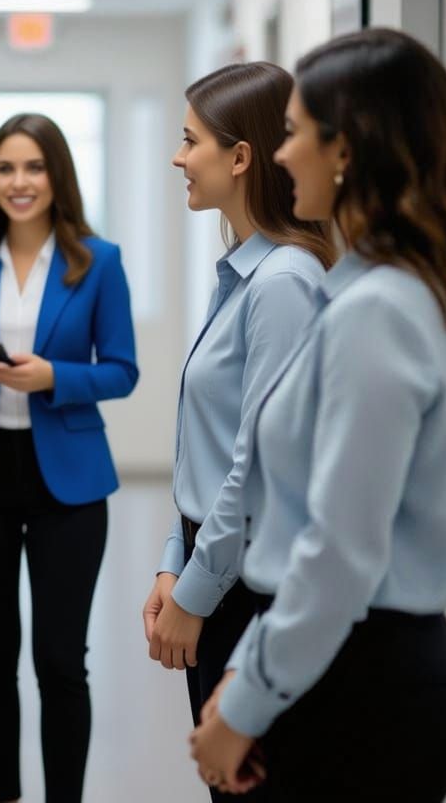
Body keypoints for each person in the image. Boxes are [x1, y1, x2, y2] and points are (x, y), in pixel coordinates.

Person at [190, 28, 446, 801]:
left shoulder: (378, 312)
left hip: (366, 687)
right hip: (350, 664)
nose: (280, 154)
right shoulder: (389, 290)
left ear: (346, 150)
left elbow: (338, 552)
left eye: (294, 132)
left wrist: (245, 702)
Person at [0, 112, 139, 803]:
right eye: (6, 168)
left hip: (68, 485)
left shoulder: (98, 261)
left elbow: (123, 371)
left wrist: (54, 377)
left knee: (60, 661)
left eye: (34, 167)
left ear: (57, 177)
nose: (20, 182)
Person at [141, 62, 335, 801]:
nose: (177, 157)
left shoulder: (283, 284)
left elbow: (256, 470)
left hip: (245, 589)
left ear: (241, 156)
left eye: (190, 141)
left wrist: (194, 595)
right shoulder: (243, 275)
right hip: (216, 569)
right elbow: (211, 446)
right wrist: (174, 560)